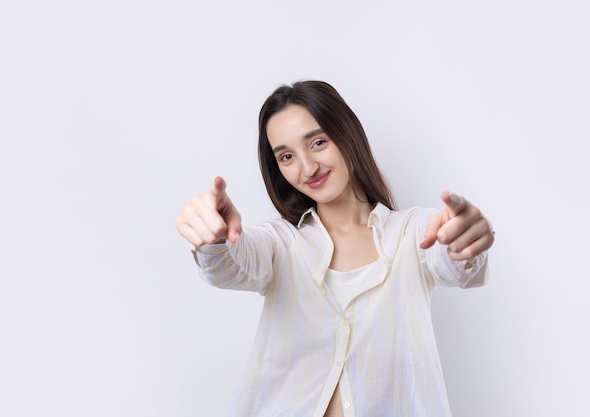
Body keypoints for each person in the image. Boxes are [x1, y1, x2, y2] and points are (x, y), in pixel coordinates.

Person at [176, 80, 495, 417]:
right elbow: (231, 265)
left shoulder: (413, 232)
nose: (308, 167)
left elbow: (453, 257)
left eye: (317, 142)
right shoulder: (281, 244)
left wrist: (468, 239)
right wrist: (215, 238)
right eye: (287, 156)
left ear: (347, 135)